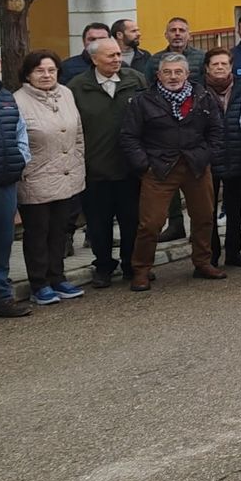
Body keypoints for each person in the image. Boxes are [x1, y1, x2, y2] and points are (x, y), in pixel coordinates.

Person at [119, 51, 226, 290]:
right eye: (167, 72)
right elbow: (129, 137)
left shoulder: (203, 96)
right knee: (151, 223)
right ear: (158, 75)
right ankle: (142, 270)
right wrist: (144, 165)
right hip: (158, 167)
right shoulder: (143, 100)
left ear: (188, 74)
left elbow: (216, 130)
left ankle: (202, 262)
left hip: (196, 165)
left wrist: (208, 155)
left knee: (204, 217)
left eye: (178, 72)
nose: (173, 76)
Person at [67, 36, 146, 287]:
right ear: (93, 59)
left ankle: (130, 264)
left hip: (130, 168)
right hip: (95, 169)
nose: (117, 59)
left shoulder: (135, 80)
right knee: (98, 224)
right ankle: (102, 266)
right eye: (110, 55)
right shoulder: (77, 87)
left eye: (118, 54)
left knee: (131, 220)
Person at [14, 51, 86, 306]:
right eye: (39, 71)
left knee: (59, 231)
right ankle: (38, 283)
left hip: (67, 175)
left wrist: (78, 161)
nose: (46, 75)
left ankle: (58, 277)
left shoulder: (66, 94)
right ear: (28, 74)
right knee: (37, 233)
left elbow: (78, 133)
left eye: (51, 70)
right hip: (35, 178)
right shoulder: (18, 101)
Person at [0, 43, 31, 318]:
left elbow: (20, 133)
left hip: (4, 183)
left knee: (0, 245)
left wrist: (19, 160)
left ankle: (0, 298)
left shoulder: (5, 97)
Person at [200, 48, 241, 267]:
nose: (220, 68)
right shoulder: (197, 90)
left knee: (234, 208)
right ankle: (210, 255)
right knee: (207, 211)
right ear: (207, 68)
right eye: (215, 64)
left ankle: (234, 252)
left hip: (236, 154)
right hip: (207, 159)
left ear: (231, 66)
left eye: (224, 64)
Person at [145, 17, 205, 84]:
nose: (177, 34)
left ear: (189, 36)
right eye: (173, 30)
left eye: (181, 30)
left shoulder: (202, 58)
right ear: (166, 35)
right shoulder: (154, 60)